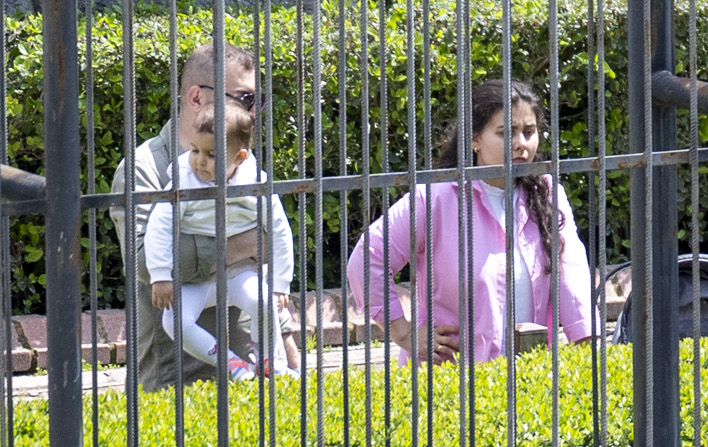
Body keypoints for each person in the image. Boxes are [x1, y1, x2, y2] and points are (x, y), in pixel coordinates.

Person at [345, 78, 599, 365]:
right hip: (448, 377)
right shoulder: (436, 197)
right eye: (507, 133)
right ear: (475, 140)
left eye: (530, 132)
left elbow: (571, 271)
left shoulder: (546, 191)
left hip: (530, 374)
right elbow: (368, 258)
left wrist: (586, 343)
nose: (521, 144)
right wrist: (404, 334)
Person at [112, 44, 299, 385]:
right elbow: (143, 262)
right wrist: (247, 244)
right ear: (197, 98)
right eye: (244, 99)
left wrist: (285, 339)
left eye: (254, 101)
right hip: (179, 376)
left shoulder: (239, 162)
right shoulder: (145, 168)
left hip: (251, 367)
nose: (252, 112)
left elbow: (275, 245)